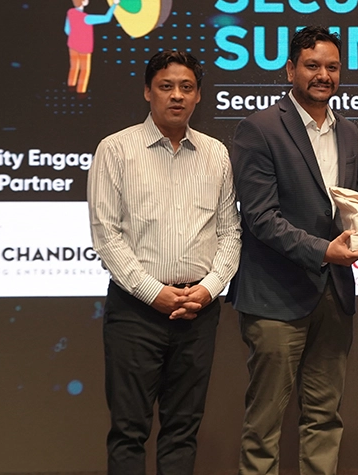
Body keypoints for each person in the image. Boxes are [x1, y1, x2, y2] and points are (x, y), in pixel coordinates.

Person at [88, 50, 241, 475]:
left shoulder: (215, 154)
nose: (177, 95)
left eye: (186, 87)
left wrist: (208, 289)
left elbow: (231, 232)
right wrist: (154, 293)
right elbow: (106, 235)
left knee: (182, 431)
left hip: (198, 311)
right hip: (135, 311)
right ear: (147, 92)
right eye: (166, 86)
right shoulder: (115, 150)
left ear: (198, 96)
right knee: (129, 430)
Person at [229, 26, 358, 475]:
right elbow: (260, 218)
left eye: (332, 67)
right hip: (275, 297)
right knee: (264, 422)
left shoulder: (351, 134)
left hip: (335, 295)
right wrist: (324, 251)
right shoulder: (259, 129)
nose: (323, 75)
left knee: (325, 417)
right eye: (312, 65)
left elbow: (351, 208)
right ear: (290, 70)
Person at [65, 0, 119, 94]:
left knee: (74, 66)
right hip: (84, 48)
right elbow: (106, 18)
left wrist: (75, 37)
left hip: (72, 45)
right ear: (83, 1)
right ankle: (81, 91)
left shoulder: (70, 12)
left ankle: (71, 86)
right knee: (84, 70)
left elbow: (67, 30)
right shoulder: (86, 18)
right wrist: (114, 4)